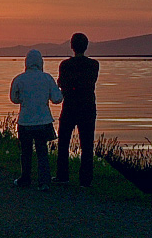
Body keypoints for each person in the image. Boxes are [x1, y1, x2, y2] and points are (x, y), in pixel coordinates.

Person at [9, 49, 63, 191]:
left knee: (26, 152)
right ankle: (44, 182)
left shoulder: (19, 79)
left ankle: (25, 179)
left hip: (25, 121)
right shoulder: (47, 78)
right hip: (43, 122)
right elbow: (57, 99)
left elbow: (14, 99)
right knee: (42, 152)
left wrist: (23, 99)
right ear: (41, 62)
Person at [56, 33, 100, 187]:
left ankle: (62, 175)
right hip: (87, 107)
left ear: (72, 46)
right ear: (86, 46)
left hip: (70, 106)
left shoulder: (65, 65)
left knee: (63, 142)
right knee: (87, 144)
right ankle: (86, 179)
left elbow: (61, 84)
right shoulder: (94, 65)